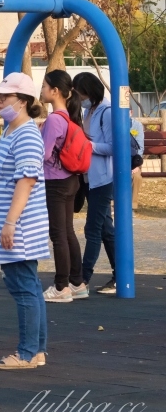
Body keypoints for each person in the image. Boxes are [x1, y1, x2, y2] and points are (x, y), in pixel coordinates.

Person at [0, 73, 49, 370]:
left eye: (4, 96)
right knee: (30, 286)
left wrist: (9, 222)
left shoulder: (25, 134)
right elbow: (3, 180)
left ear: (23, 101)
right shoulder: (12, 130)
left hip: (20, 225)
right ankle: (36, 350)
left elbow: (26, 180)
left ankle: (26, 352)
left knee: (23, 287)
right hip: (10, 220)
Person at [39, 70, 86, 303]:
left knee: (58, 234)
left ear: (55, 91)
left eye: (44, 86)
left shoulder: (54, 119)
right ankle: (76, 282)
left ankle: (61, 287)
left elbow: (45, 154)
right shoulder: (68, 117)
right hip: (71, 179)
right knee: (67, 232)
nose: (42, 90)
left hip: (55, 181)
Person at [72, 72, 117, 295]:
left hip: (103, 178)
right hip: (89, 177)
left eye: (82, 95)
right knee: (106, 229)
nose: (81, 99)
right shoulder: (88, 110)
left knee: (93, 229)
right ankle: (119, 274)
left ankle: (82, 279)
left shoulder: (106, 112)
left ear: (91, 92)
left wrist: (89, 145)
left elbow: (112, 146)